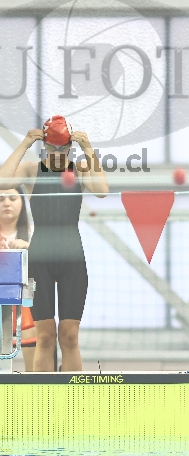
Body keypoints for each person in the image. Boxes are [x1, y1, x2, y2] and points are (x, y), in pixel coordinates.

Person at [0, 115, 108, 372]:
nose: (58, 154)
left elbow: (102, 190)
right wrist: (25, 143)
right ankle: (43, 394)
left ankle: (72, 394)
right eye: (52, 148)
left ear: (70, 147)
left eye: (63, 148)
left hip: (72, 260)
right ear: (44, 146)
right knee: (45, 337)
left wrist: (88, 148)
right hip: (40, 260)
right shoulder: (31, 170)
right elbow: (3, 182)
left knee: (69, 336)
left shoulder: (80, 169)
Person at [0, 187, 35, 371]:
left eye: (12, 198)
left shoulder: (34, 232)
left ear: (22, 202)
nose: (6, 203)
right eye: (1, 199)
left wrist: (30, 248)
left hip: (27, 303)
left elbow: (50, 273)